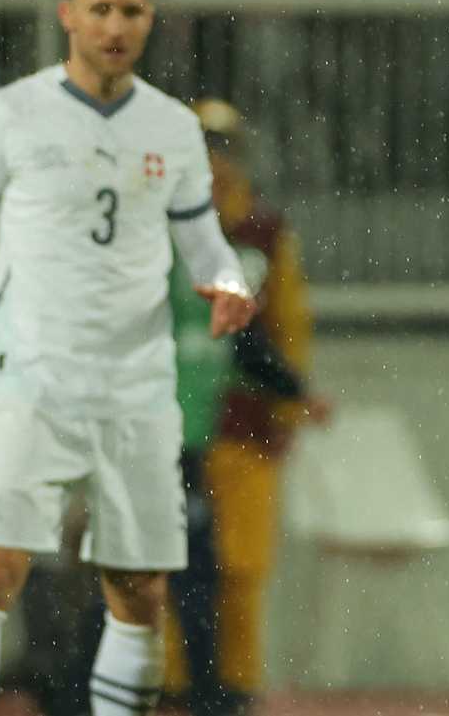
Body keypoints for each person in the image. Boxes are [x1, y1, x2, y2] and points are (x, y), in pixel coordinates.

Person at [0, 0, 255, 716]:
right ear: (69, 15)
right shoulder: (10, 115)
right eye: (100, 8)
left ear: (149, 18)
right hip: (32, 384)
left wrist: (224, 280)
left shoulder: (170, 128)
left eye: (130, 10)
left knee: (140, 592)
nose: (115, 25)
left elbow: (202, 242)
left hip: (135, 392)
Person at [162, 97, 330, 716]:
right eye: (203, 148)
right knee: (169, 567)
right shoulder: (166, 229)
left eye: (224, 147)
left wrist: (288, 406)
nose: (214, 162)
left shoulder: (263, 231)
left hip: (245, 427)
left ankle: (233, 685)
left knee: (240, 566)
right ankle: (175, 684)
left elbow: (286, 324)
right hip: (174, 425)